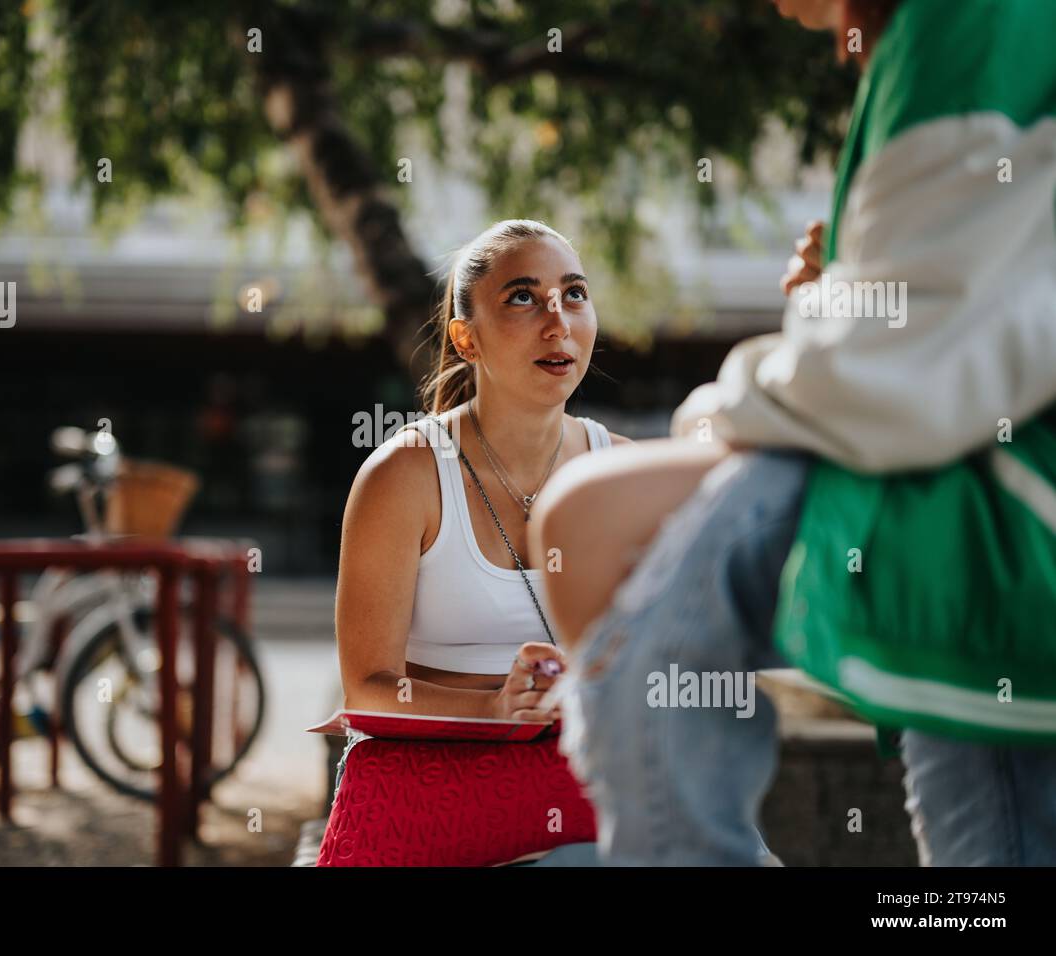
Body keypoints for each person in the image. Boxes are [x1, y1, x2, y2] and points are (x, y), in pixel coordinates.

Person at [531, 0, 1056, 865]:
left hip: (997, 484)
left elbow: (904, 362)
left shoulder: (960, 25)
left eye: (572, 295)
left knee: (593, 525)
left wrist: (715, 415)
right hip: (971, 468)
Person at [319, 219, 627, 866]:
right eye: (522, 297)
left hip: (579, 788)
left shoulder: (621, 474)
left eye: (574, 294)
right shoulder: (402, 476)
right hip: (426, 798)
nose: (557, 321)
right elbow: (368, 688)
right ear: (466, 339)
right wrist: (494, 706)